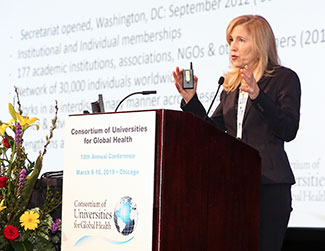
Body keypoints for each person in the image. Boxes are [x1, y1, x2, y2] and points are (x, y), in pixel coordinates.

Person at [172, 15, 301, 251]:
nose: (233, 46)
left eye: (241, 39)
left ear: (260, 43)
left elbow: (289, 129)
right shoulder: (230, 86)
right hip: (233, 184)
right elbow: (213, 133)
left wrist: (257, 94)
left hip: (269, 186)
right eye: (231, 39)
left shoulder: (284, 79)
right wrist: (192, 101)